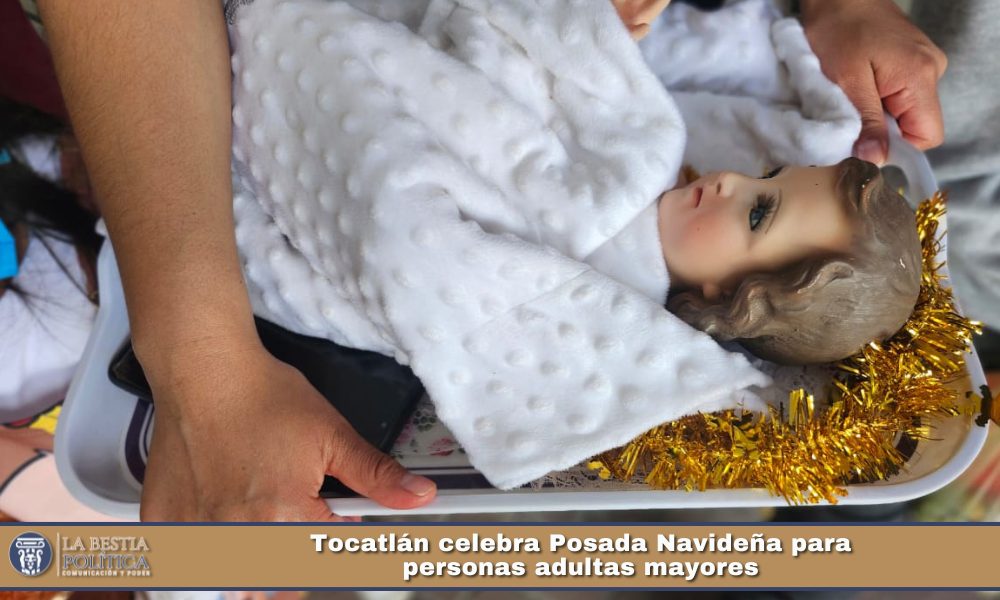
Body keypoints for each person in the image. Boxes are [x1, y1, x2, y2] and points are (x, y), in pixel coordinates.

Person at [28, 0, 934, 520]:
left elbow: (423, 257)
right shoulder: (662, 148)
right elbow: (560, 67)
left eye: (759, 212)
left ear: (730, 301)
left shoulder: (591, 289)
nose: (735, 180)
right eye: (767, 177)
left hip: (342, 124)